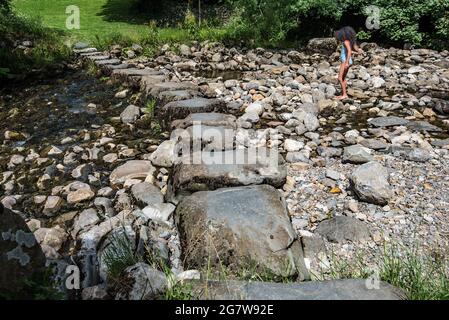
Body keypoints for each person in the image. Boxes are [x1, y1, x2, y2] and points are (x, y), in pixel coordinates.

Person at [334, 26, 363, 100]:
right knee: (343, 78)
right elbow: (351, 51)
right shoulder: (350, 41)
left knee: (340, 78)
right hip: (347, 61)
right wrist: (358, 52)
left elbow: (349, 51)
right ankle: (344, 93)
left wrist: (346, 63)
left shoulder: (346, 41)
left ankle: (344, 95)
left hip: (345, 61)